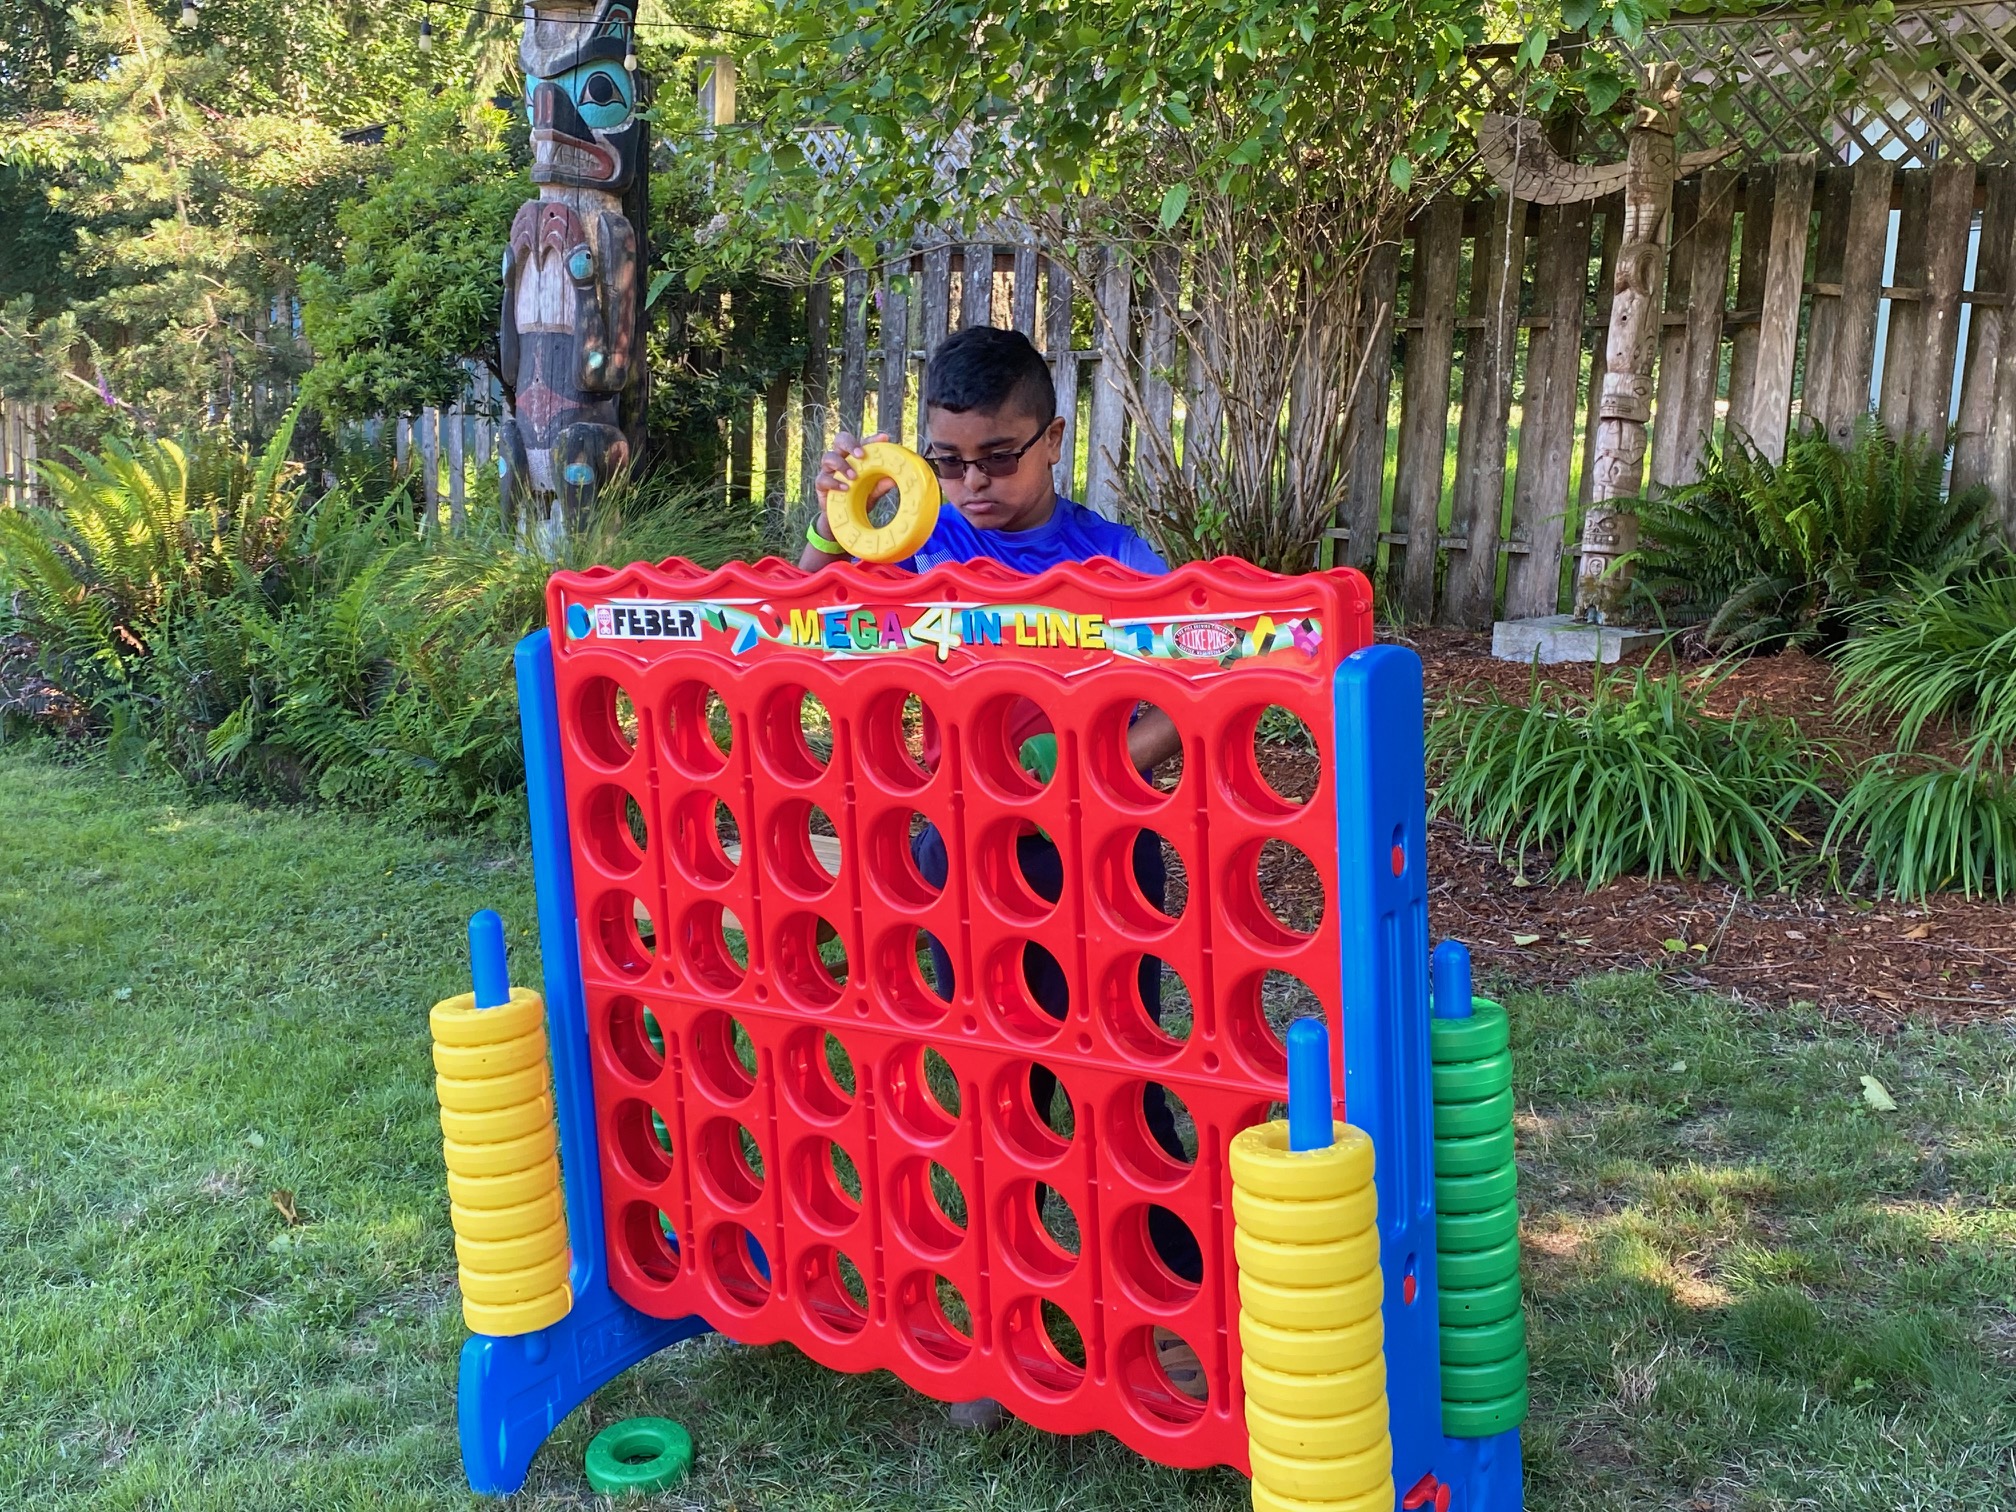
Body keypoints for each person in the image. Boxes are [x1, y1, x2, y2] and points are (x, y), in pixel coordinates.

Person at [804, 325, 1203, 1430]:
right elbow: (797, 619)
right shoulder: (912, 545)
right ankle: (1005, 1324)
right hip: (953, 858)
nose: (974, 485)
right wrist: (832, 522)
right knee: (990, 1087)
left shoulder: (1120, 562)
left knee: (1123, 1080)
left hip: (1099, 855)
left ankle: (1174, 1308)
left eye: (1000, 459)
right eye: (949, 461)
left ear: (1054, 442)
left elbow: (1188, 695)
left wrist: (1077, 777)